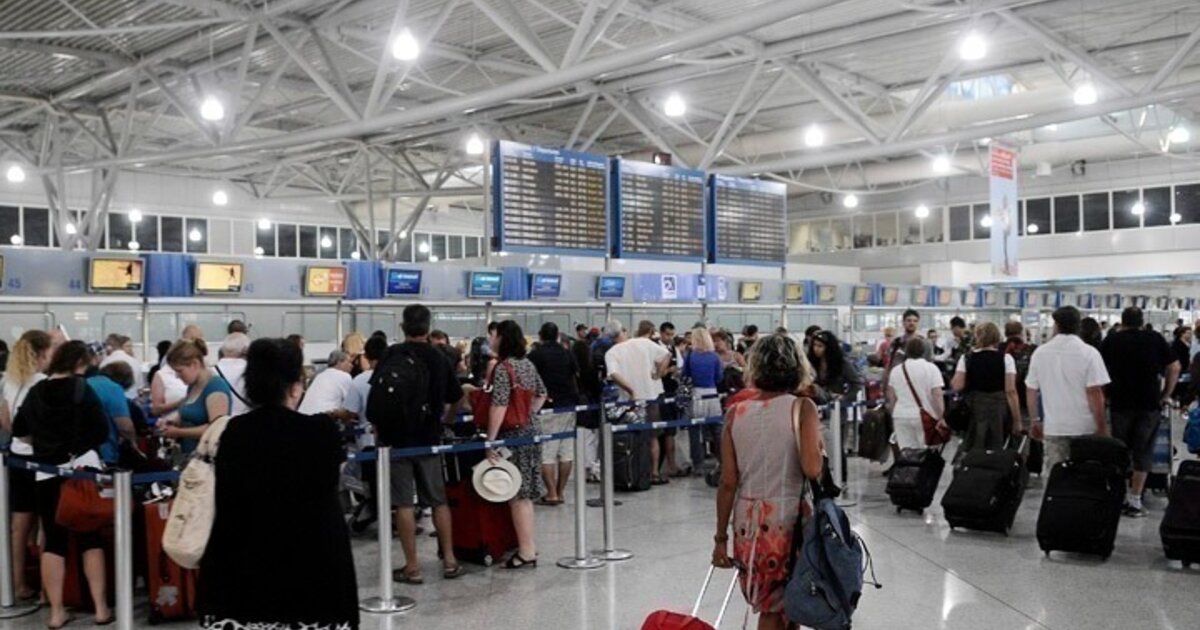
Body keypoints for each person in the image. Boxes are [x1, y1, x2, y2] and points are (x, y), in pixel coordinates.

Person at [197, 338, 357, 629]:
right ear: (295, 386)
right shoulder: (321, 432)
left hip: (241, 569)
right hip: (312, 569)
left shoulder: (231, 433)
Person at [712, 334, 823, 630]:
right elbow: (812, 469)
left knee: (770, 603)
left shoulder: (735, 413)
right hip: (789, 519)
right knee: (782, 606)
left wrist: (720, 539)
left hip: (748, 521)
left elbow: (727, 483)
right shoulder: (803, 408)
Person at [13, 341, 112, 628]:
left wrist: (45, 444)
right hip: (82, 472)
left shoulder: (36, 391)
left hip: (46, 472)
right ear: (79, 362)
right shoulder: (82, 389)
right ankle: (101, 609)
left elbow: (20, 430)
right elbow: (100, 430)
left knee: (53, 541)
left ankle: (56, 612)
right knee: (90, 538)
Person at [375, 304, 464, 584]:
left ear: (402, 326)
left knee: (403, 503)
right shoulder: (439, 357)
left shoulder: (391, 354)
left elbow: (378, 396)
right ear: (428, 327)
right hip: (428, 438)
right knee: (438, 500)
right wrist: (446, 420)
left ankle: (412, 567)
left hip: (395, 440)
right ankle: (450, 560)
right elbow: (456, 397)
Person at [1099, 307, 1180, 518]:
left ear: (1122, 322)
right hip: (1149, 404)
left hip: (1119, 404)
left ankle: (1116, 497)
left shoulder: (1111, 341)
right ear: (1142, 322)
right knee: (1143, 451)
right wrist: (1165, 394)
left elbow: (1098, 372)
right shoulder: (1155, 339)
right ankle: (1135, 500)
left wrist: (1104, 396)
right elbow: (1174, 367)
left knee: (1118, 452)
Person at [484, 320, 548, 568]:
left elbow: (499, 405)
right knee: (527, 493)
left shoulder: (504, 368)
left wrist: (490, 440)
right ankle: (528, 544)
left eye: (494, 335)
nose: (491, 340)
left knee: (517, 494)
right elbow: (542, 393)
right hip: (532, 431)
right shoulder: (527, 364)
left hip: (513, 436)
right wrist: (528, 414)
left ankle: (526, 550)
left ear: (503, 338)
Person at [1025, 306, 1111, 472]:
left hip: (1054, 426)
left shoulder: (1040, 353)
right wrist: (1101, 426)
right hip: (1084, 427)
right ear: (1078, 326)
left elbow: (1031, 390)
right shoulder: (1089, 353)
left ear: (1056, 325)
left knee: (1054, 474)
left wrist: (1034, 421)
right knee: (1084, 475)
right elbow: (1095, 393)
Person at [0, 330, 52, 601]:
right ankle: (46, 588)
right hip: (41, 459)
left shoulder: (9, 380)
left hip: (17, 457)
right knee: (45, 525)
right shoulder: (43, 382)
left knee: (19, 526)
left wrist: (19, 438)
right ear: (43, 352)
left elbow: (4, 418)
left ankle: (17, 583)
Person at [605, 320, 672, 484]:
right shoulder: (643, 343)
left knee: (631, 438)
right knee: (653, 437)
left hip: (627, 403)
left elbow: (613, 374)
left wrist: (630, 390)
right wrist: (658, 373)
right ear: (624, 330)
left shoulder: (611, 353)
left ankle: (633, 472)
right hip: (651, 396)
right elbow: (667, 355)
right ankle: (654, 473)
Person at [951, 322, 1023, 454]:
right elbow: (1011, 391)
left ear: (977, 337)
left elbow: (957, 386)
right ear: (997, 337)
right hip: (999, 408)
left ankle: (973, 465)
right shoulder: (1006, 359)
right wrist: (1017, 420)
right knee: (997, 446)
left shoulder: (966, 358)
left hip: (974, 407)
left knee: (973, 445)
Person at [527, 322, 580, 505]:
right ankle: (560, 491)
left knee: (547, 453)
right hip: (568, 406)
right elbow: (575, 376)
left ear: (541, 336)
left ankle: (551, 493)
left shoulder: (536, 355)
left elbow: (529, 380)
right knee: (566, 452)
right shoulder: (567, 353)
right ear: (557, 336)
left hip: (547, 407)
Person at [341, 335, 389, 531]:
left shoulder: (360, 380)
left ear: (367, 357)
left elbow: (349, 412)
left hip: (368, 443)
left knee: (369, 483)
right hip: (395, 442)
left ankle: (373, 511)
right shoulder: (397, 375)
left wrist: (337, 415)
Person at [158, 339, 232, 454]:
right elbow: (187, 414)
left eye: (180, 371)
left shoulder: (216, 388)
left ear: (195, 364)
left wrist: (178, 432)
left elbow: (215, 430)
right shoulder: (193, 386)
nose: (177, 376)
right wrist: (170, 422)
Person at [887, 337, 946, 450]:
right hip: (925, 416)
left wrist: (893, 414)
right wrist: (941, 416)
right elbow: (937, 395)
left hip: (901, 416)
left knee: (906, 452)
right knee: (925, 452)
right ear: (923, 350)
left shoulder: (896, 370)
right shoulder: (931, 369)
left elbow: (892, 397)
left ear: (906, 351)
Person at [683, 327, 725, 472]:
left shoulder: (691, 356)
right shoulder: (715, 357)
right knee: (717, 430)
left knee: (695, 431)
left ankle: (698, 464)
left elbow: (685, 375)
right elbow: (719, 377)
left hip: (696, 394)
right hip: (712, 393)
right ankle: (723, 461)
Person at [86, 346, 135, 465]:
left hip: (83, 451)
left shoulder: (87, 382)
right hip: (105, 452)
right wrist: (134, 443)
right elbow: (125, 427)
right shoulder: (113, 388)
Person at [807, 330, 862, 402]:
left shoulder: (841, 363)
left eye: (820, 346)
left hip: (835, 403)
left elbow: (856, 384)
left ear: (829, 348)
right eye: (814, 345)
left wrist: (846, 398)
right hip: (815, 402)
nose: (816, 349)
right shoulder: (810, 362)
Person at [298, 350, 354, 418]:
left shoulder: (319, 376)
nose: (352, 366)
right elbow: (351, 405)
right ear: (339, 362)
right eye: (349, 362)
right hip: (321, 418)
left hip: (301, 416)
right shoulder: (344, 376)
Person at [214, 333, 250, 416]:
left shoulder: (212, 371)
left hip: (220, 420)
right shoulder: (251, 371)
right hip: (247, 419)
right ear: (246, 351)